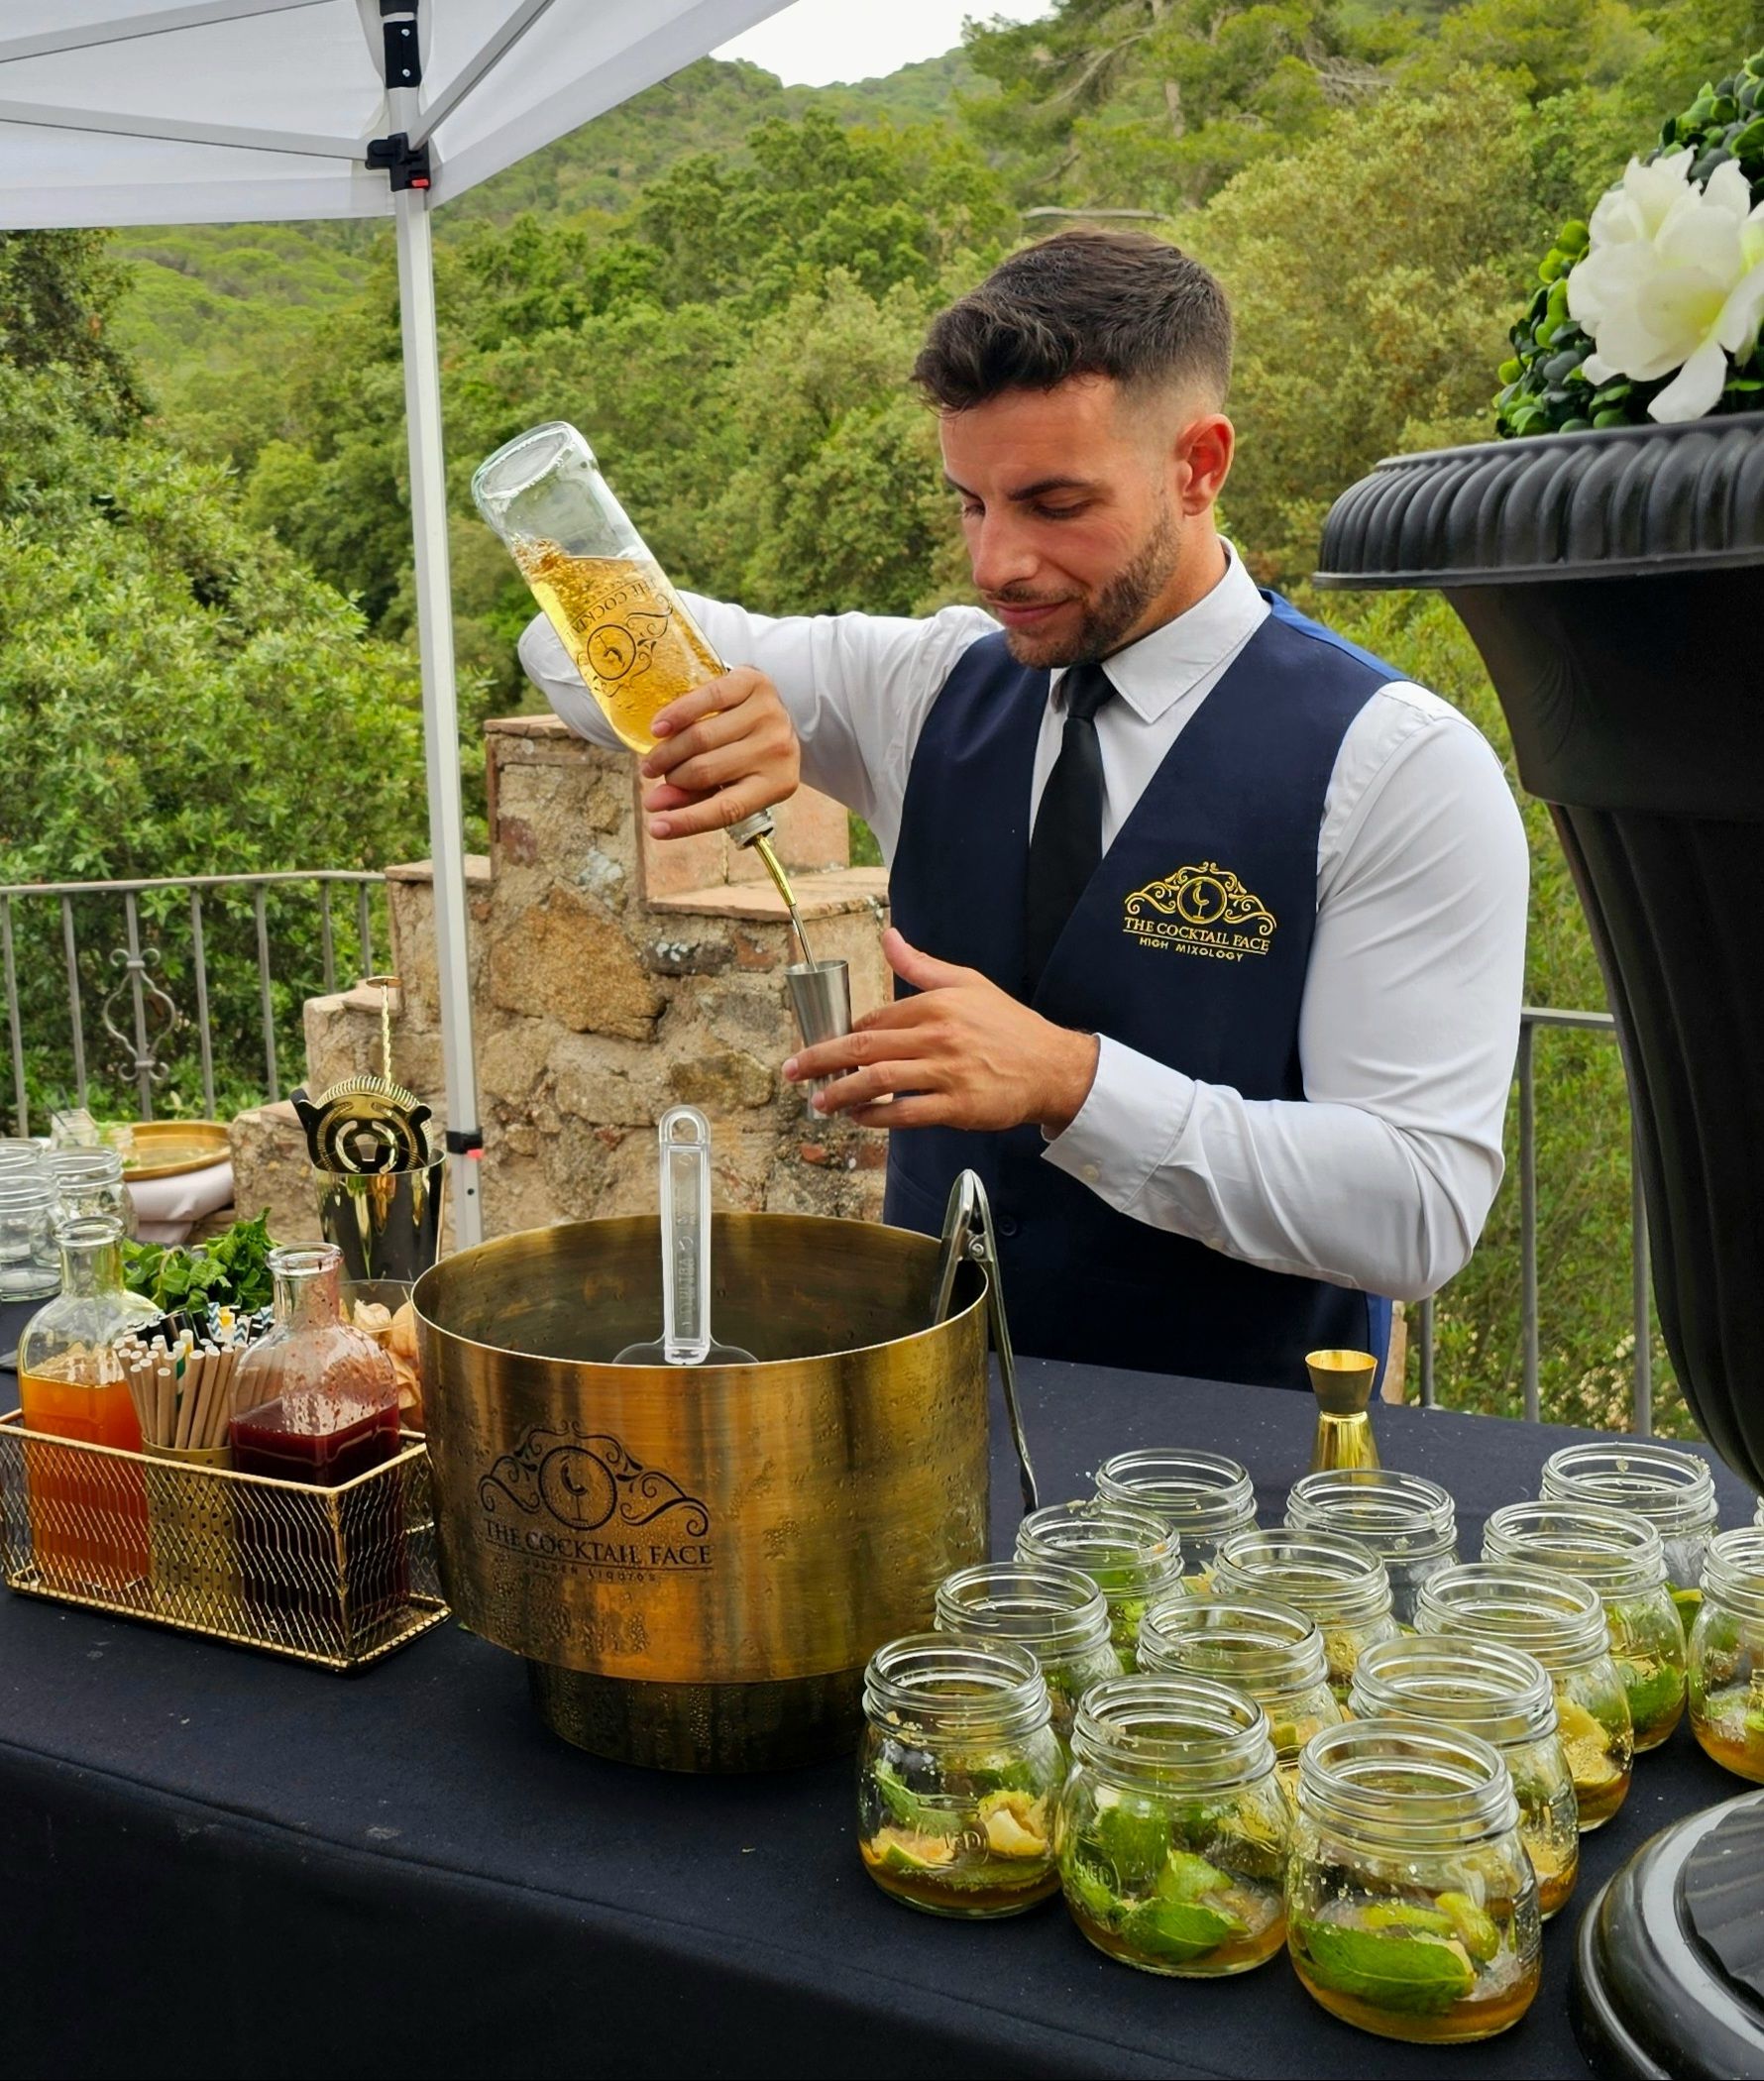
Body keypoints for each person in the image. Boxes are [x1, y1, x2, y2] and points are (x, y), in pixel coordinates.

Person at [521, 231, 1528, 1388]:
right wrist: (700, 703)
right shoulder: (926, 684)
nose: (996, 562)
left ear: (1198, 465)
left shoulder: (1397, 764)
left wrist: (1074, 1081)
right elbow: (563, 634)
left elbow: (1417, 1212)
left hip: (1238, 1490)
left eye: (1054, 503)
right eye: (970, 504)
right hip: (923, 1440)